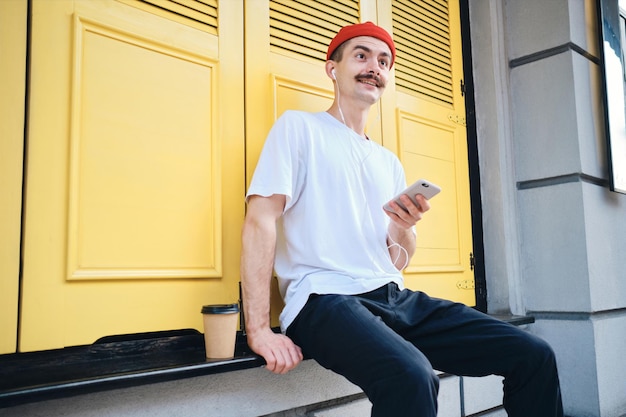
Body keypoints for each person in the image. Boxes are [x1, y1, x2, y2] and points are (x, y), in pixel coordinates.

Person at [240, 21, 564, 417]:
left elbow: (396, 260)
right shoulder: (298, 128)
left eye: (383, 61)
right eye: (361, 55)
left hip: (392, 297)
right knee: (411, 374)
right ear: (332, 67)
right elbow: (259, 220)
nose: (374, 66)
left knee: (533, 353)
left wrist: (402, 227)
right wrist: (257, 329)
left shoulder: (387, 162)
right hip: (322, 298)